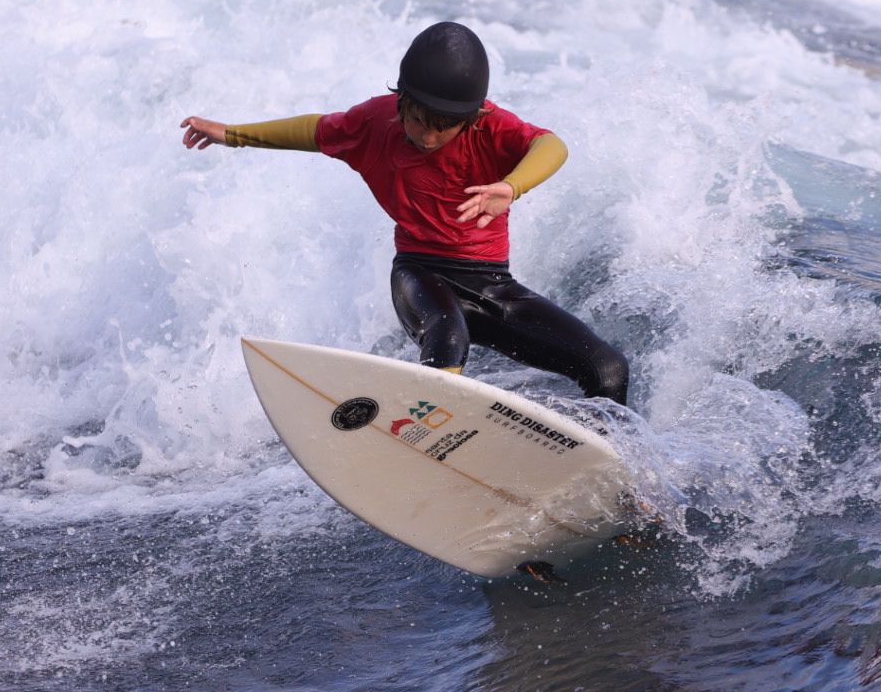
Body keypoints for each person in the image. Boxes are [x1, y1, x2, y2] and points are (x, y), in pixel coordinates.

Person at [180, 21, 630, 405]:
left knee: (608, 369)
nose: (429, 138)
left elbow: (552, 145)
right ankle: (426, 435)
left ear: (470, 118)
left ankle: (612, 471)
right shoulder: (374, 123)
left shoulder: (490, 126)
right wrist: (232, 133)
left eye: (444, 128)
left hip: (492, 284)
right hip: (420, 274)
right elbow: (313, 130)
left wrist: (511, 187)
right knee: (447, 337)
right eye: (419, 121)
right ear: (402, 102)